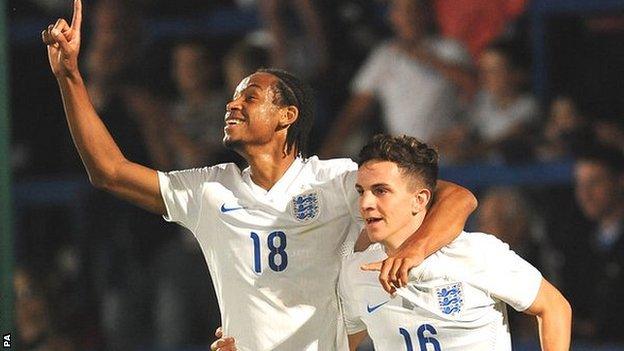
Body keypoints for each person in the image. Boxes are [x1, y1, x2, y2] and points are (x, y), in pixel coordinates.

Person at [41, 1, 476, 349]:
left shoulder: (336, 181)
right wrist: (70, 77)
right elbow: (110, 172)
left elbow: (456, 197)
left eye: (249, 96)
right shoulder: (209, 189)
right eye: (232, 97)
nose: (233, 104)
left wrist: (414, 250)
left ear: (288, 115)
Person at [340, 135, 571, 350]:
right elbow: (339, 343)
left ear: (419, 200)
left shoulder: (476, 253)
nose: (365, 203)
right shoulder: (357, 272)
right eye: (361, 191)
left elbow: (554, 307)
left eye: (381, 191)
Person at [320, 0, 475, 158]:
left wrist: (423, 57)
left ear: (426, 14)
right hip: (404, 158)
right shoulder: (385, 55)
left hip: (448, 153)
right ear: (393, 17)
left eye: (414, 10)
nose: (409, 17)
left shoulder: (450, 49)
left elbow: (472, 85)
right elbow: (356, 109)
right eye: (401, 11)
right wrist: (328, 151)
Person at [566, 145, 624, 342]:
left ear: (619, 182)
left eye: (594, 182)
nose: (585, 193)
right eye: (580, 184)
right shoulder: (577, 241)